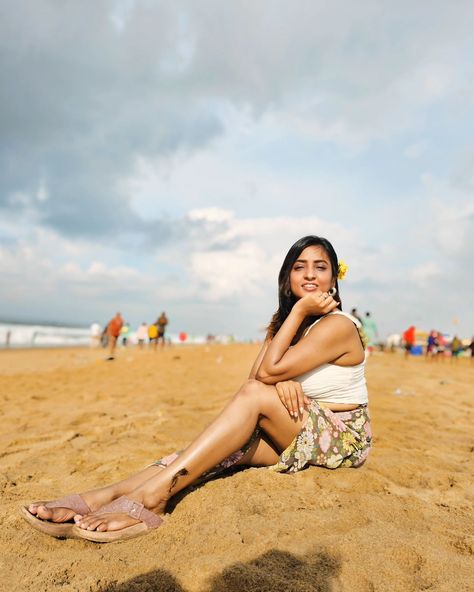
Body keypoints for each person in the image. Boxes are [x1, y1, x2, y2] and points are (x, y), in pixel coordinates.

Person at [21, 236, 372, 543]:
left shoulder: (337, 325)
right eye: (300, 267)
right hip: (298, 425)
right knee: (215, 449)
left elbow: (261, 380)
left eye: (320, 267)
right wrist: (282, 373)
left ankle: (156, 495)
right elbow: (256, 379)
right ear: (287, 277)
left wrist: (295, 324)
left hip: (342, 437)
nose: (310, 275)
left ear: (333, 278)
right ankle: (104, 495)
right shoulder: (284, 325)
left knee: (250, 403)